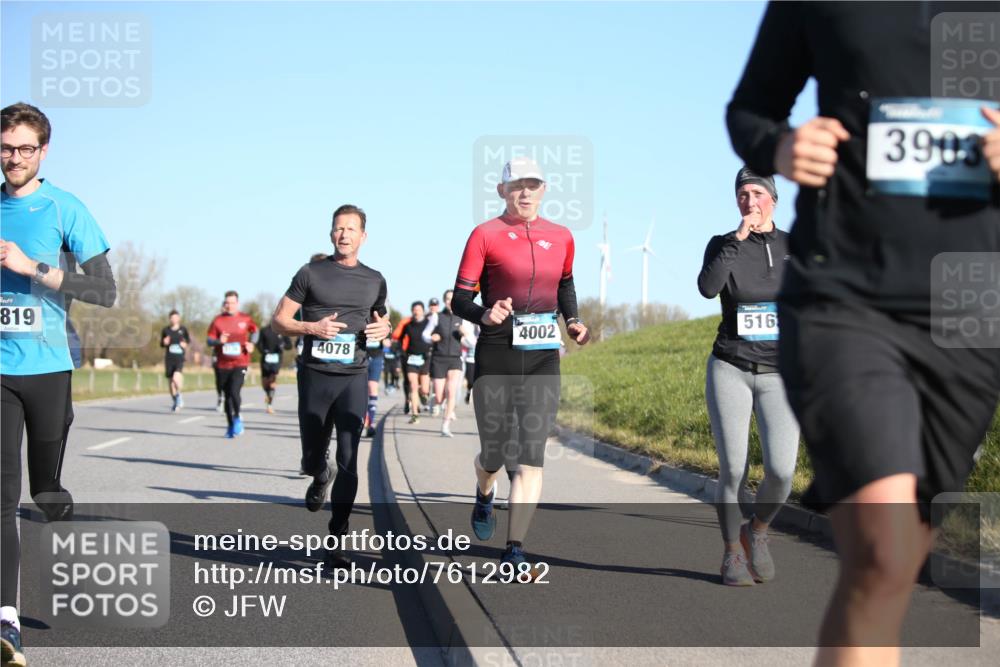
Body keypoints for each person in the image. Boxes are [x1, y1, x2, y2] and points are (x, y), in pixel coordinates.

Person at [727, 3, 1000, 663]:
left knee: (896, 567)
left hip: (969, 309)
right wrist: (783, 147)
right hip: (845, 293)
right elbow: (751, 109)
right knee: (883, 550)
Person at [1, 102, 117, 667]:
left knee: (44, 492)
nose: (13, 158)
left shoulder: (64, 207)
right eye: (5, 147)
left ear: (43, 151)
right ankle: (7, 622)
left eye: (24, 148)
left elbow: (104, 291)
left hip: (47, 370)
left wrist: (32, 268)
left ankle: (57, 502)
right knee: (1, 498)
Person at [452, 156, 590, 572]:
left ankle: (515, 548)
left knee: (531, 454)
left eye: (533, 185)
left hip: (544, 356)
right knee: (494, 453)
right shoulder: (484, 235)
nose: (525, 192)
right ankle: (484, 491)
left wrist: (573, 321)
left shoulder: (562, 236)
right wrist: (483, 314)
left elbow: (565, 283)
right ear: (502, 191)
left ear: (544, 190)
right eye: (517, 186)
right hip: (496, 352)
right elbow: (459, 298)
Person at [271, 204, 390, 570]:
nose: (344, 234)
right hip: (315, 375)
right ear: (331, 233)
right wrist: (313, 328)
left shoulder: (375, 279)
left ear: (363, 236)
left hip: (354, 375)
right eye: (339, 228)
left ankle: (337, 539)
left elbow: (381, 318)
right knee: (312, 457)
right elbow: (279, 320)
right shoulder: (310, 273)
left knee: (351, 459)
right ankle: (319, 473)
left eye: (351, 229)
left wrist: (384, 330)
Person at [697, 167, 800, 586]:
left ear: (774, 199)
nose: (749, 201)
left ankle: (756, 531)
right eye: (742, 193)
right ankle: (731, 554)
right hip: (731, 367)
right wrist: (736, 243)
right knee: (734, 470)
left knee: (781, 472)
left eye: (757, 193)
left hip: (780, 374)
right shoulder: (722, 245)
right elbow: (708, 288)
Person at [206, 291, 258, 438]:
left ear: (238, 303)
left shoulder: (245, 318)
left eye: (233, 303)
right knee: (227, 395)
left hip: (240, 362)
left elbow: (255, 331)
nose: (230, 305)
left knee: (235, 391)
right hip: (223, 364)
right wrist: (218, 341)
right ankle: (230, 425)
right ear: (224, 304)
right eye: (227, 303)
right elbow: (209, 340)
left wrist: (252, 343)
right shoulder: (217, 321)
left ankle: (237, 418)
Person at [428, 289, 465, 437]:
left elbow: (472, 341)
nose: (450, 302)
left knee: (451, 392)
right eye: (448, 299)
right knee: (439, 396)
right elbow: (426, 335)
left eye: (452, 299)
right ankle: (435, 400)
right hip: (439, 358)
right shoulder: (437, 317)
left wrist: (464, 334)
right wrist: (432, 337)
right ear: (444, 301)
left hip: (455, 358)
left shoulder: (462, 318)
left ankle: (445, 425)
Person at [400, 301, 432, 423]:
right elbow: (400, 339)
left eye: (418, 309)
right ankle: (415, 415)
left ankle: (423, 395)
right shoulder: (408, 325)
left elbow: (434, 337)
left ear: (423, 311)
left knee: (424, 389)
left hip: (425, 358)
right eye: (414, 309)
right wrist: (402, 351)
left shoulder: (429, 324)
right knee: (413, 386)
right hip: (411, 358)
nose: (416, 311)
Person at [160, 309, 191, 412]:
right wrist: (164, 342)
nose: (174, 319)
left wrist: (184, 345)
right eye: (172, 318)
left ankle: (179, 395)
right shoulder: (166, 330)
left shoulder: (183, 330)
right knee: (170, 384)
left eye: (176, 317)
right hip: (169, 359)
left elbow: (188, 342)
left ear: (179, 318)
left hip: (179, 358)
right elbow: (161, 344)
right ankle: (175, 400)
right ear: (170, 319)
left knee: (176, 378)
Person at [258, 321, 291, 414]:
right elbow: (259, 344)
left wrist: (283, 345)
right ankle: (267, 393)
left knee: (272, 379)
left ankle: (269, 404)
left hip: (277, 359)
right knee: (265, 382)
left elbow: (289, 345)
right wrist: (264, 351)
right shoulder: (264, 330)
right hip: (265, 359)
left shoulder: (283, 331)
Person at [364, 319, 385, 438]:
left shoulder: (380, 316)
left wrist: (387, 339)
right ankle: (362, 420)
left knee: (372, 388)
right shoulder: (360, 312)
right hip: (361, 356)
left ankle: (370, 423)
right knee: (360, 390)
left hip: (376, 356)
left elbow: (388, 332)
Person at [423, 296, 441, 415]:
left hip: (437, 351)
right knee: (426, 378)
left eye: (435, 305)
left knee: (436, 378)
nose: (433, 307)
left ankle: (435, 403)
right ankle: (427, 399)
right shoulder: (425, 318)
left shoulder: (441, 318)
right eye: (431, 305)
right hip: (425, 351)